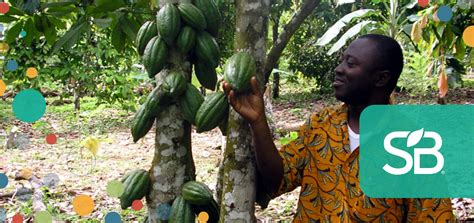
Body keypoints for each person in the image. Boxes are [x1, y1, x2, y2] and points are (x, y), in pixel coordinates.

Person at [223, 34, 455, 222]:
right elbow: (278, 179)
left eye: (351, 63)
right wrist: (258, 121)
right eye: (342, 61)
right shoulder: (320, 126)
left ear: (381, 78)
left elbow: (433, 216)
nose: (339, 69)